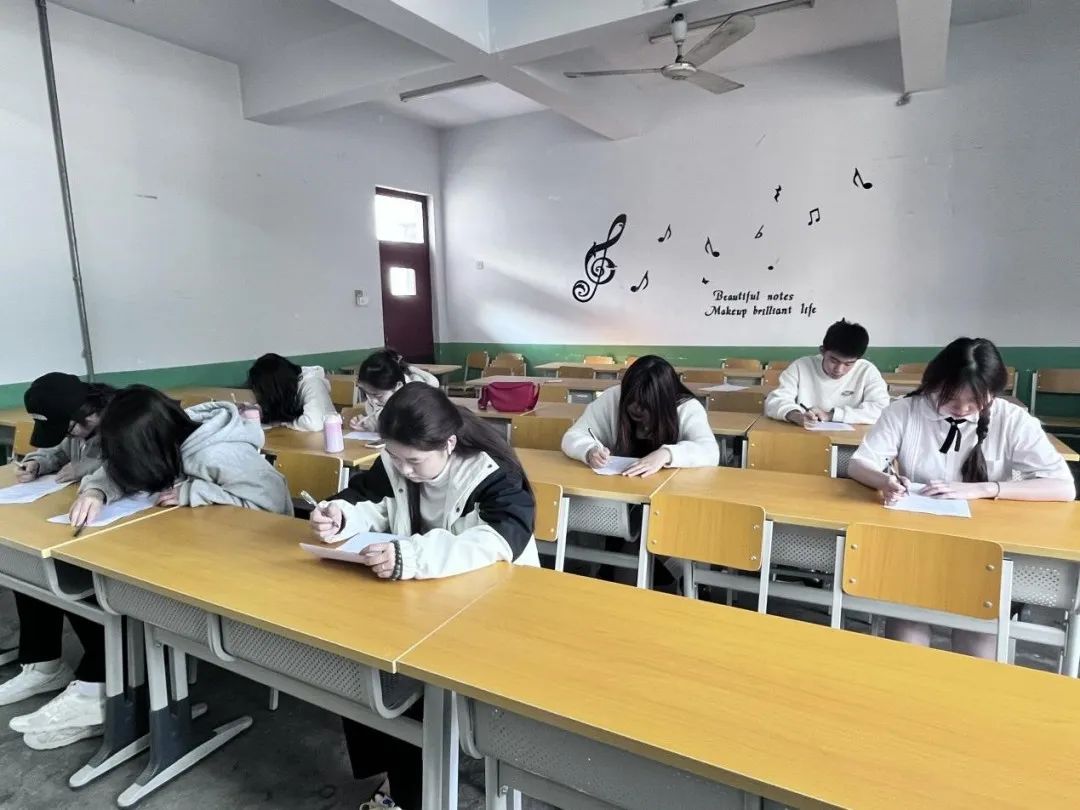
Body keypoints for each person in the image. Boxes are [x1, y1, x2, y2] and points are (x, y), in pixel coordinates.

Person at [6, 387, 291, 752]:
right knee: (101, 575)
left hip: (241, 565)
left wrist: (195, 493)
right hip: (192, 548)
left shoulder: (217, 453)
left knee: (124, 593)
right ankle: (104, 688)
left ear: (147, 444)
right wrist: (95, 492)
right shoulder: (162, 442)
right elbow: (115, 472)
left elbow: (275, 506)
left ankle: (109, 691)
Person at [310, 383, 537, 810]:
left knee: (409, 683)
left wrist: (410, 556)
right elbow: (371, 501)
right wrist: (341, 516)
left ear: (448, 444)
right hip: (423, 597)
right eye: (395, 457)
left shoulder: (493, 475)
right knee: (365, 657)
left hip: (490, 607)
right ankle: (397, 782)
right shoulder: (397, 462)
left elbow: (495, 544)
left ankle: (410, 793)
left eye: (413, 461)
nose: (404, 469)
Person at [848, 337, 1075, 658]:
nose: (963, 409)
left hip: (984, 549)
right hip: (917, 543)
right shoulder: (905, 411)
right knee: (907, 623)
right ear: (934, 383)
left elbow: (1063, 487)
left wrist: (986, 489)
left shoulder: (1012, 420)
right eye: (952, 397)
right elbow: (859, 463)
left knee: (977, 629)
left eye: (976, 401)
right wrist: (884, 480)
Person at [0, 374, 117, 751]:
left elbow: (131, 466)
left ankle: (99, 682)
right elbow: (58, 452)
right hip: (79, 514)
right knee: (32, 566)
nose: (72, 435)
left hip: (118, 523)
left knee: (80, 580)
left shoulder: (124, 423)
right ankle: (43, 663)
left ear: (87, 414)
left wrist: (87, 473)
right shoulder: (77, 427)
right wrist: (37, 463)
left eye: (71, 427)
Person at [561, 355, 719, 476]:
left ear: (663, 402)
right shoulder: (613, 397)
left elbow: (710, 452)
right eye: (631, 400)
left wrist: (666, 454)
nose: (636, 409)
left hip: (670, 490)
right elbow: (572, 436)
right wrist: (589, 451)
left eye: (646, 405)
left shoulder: (687, 407)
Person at [764, 318, 889, 425]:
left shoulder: (867, 371)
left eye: (848, 364)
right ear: (822, 351)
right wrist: (795, 415)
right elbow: (775, 401)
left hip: (850, 441)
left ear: (858, 359)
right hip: (804, 436)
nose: (839, 370)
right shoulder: (800, 367)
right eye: (834, 360)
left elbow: (882, 409)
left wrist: (831, 415)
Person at [348, 349, 439, 433]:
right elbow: (378, 421)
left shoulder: (415, 402)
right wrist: (366, 426)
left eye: (378, 395)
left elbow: (409, 433)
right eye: (367, 393)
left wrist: (379, 426)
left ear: (398, 386)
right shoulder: (375, 401)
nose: (372, 400)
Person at [247, 353, 335, 431]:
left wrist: (285, 423)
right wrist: (257, 410)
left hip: (323, 438)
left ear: (274, 388)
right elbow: (278, 408)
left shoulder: (311, 383)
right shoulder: (286, 389)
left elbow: (313, 423)